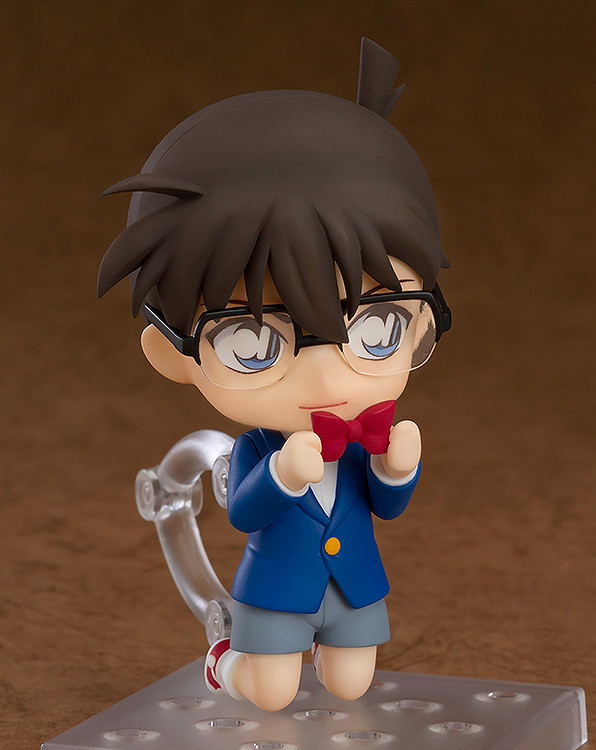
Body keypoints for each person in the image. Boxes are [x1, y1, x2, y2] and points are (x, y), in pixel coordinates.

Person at [98, 37, 451, 711]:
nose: (327, 380)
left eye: (375, 329)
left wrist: (396, 468)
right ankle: (224, 665)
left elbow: (386, 508)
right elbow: (244, 512)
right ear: (175, 356)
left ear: (420, 326)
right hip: (276, 592)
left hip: (355, 588)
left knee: (352, 684)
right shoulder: (260, 447)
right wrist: (283, 474)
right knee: (269, 693)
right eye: (255, 343)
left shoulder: (363, 438)